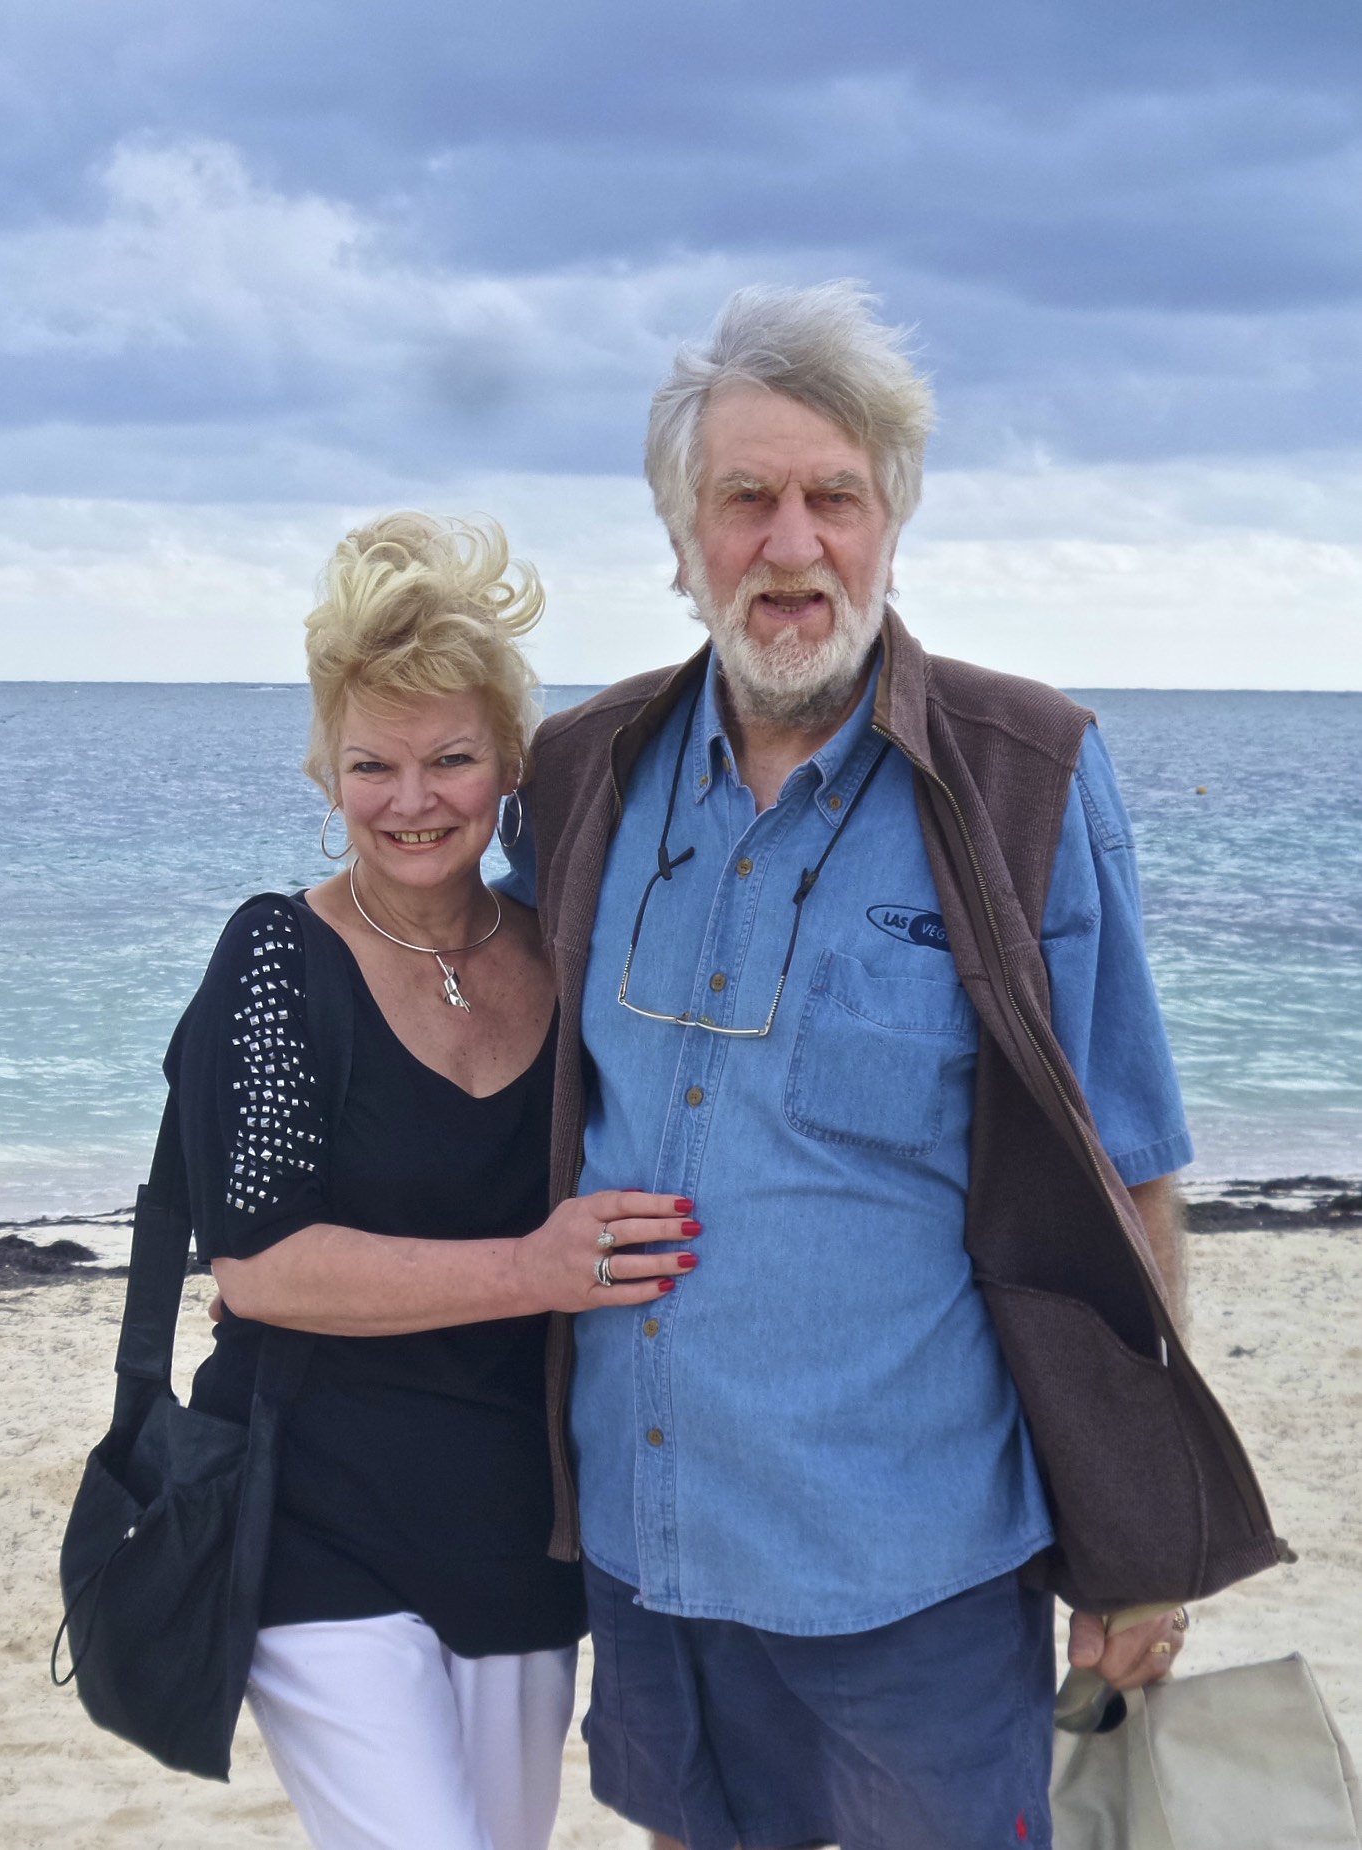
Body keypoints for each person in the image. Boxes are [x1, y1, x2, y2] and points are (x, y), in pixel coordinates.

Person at [504, 282, 1288, 1849]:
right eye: (747, 498)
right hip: (654, 1554)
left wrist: (1137, 1543)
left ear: (890, 526)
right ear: (682, 539)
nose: (791, 545)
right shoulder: (584, 773)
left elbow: (1130, 1171)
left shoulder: (1028, 775)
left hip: (914, 1576)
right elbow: (473, 1029)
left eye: (835, 498)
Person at [173, 511, 694, 1849]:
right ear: (327, 772)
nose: (412, 801)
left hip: (519, 1521)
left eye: (451, 759)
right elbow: (259, 1265)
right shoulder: (279, 959)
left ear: (510, 764)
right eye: (373, 765)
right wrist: (531, 1268)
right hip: (318, 1516)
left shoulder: (567, 953)